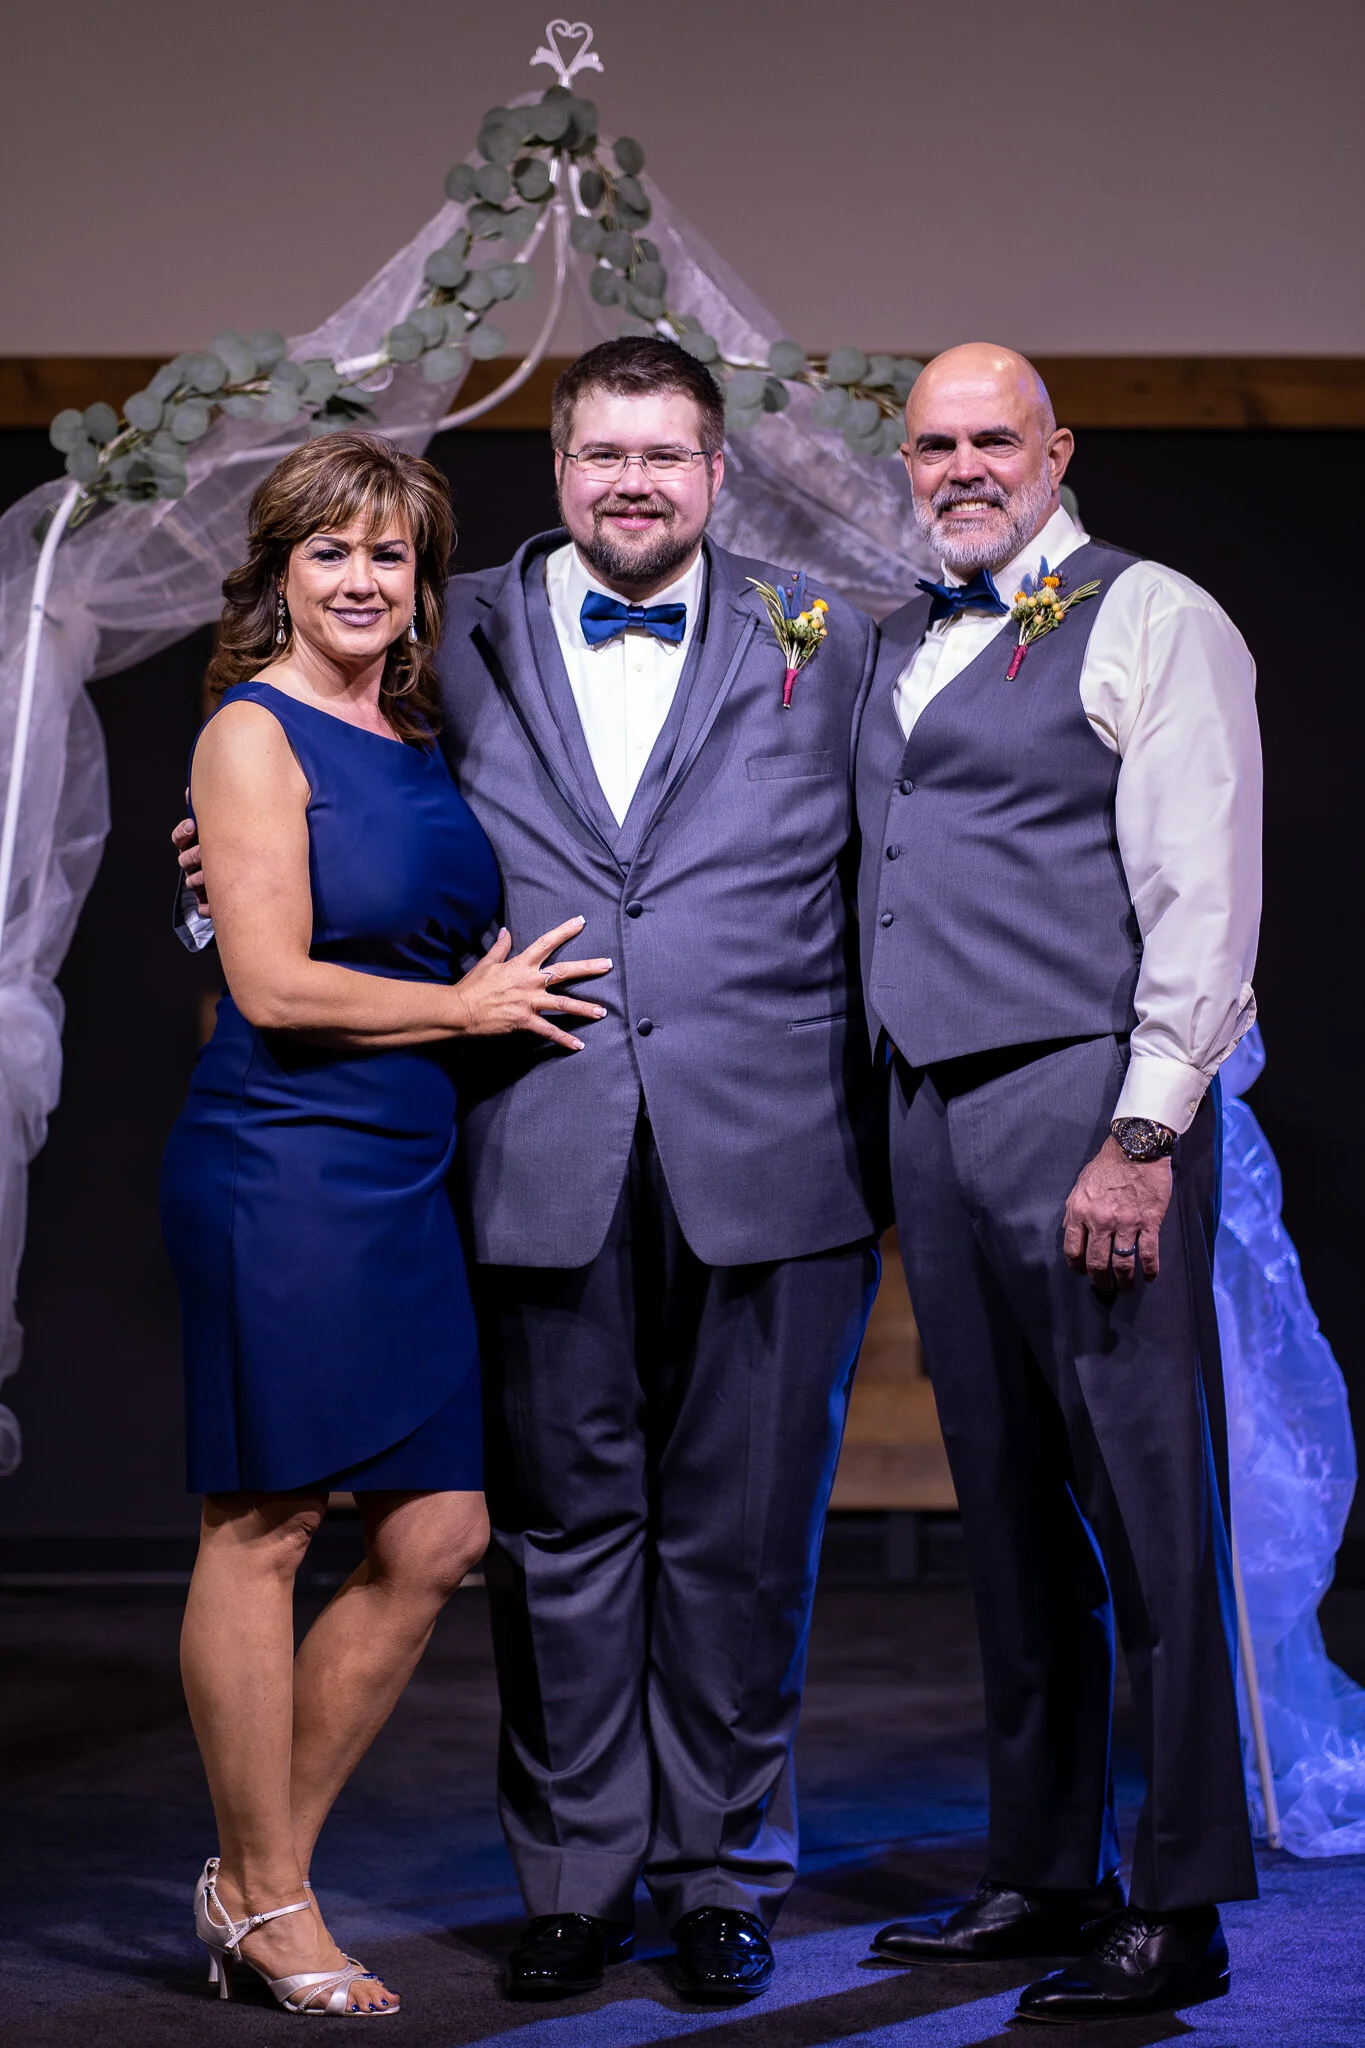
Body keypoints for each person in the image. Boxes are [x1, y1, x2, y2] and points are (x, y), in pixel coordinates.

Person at [175, 339, 884, 2005]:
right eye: (601, 455)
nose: (633, 481)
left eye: (665, 454)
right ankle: (571, 1881)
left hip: (772, 1153)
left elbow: (915, 855)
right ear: (558, 471)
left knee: (739, 1543)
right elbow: (303, 828)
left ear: (717, 474)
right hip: (524, 1142)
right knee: (553, 1539)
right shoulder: (456, 632)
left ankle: (722, 1876)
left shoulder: (832, 636)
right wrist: (212, 898)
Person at [162, 432, 609, 2017]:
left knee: (437, 1537)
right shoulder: (249, 731)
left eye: (388, 555)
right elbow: (273, 984)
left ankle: (250, 1878)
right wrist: (467, 1005)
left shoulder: (415, 732)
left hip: (408, 1168)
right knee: (266, 1524)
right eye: (329, 552)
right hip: (281, 1165)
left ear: (422, 584)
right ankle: (274, 1897)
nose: (360, 580)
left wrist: (460, 990)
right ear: (278, 574)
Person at [855, 343, 1261, 2023]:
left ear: (1057, 449)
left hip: (1086, 1109)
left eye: (993, 440)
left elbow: (1204, 894)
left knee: (1149, 1511)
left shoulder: (1154, 614)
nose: (963, 467)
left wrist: (1144, 1133)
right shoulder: (885, 640)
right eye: (934, 444)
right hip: (930, 1113)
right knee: (1011, 1510)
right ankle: (1042, 1869)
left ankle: (1183, 1897)